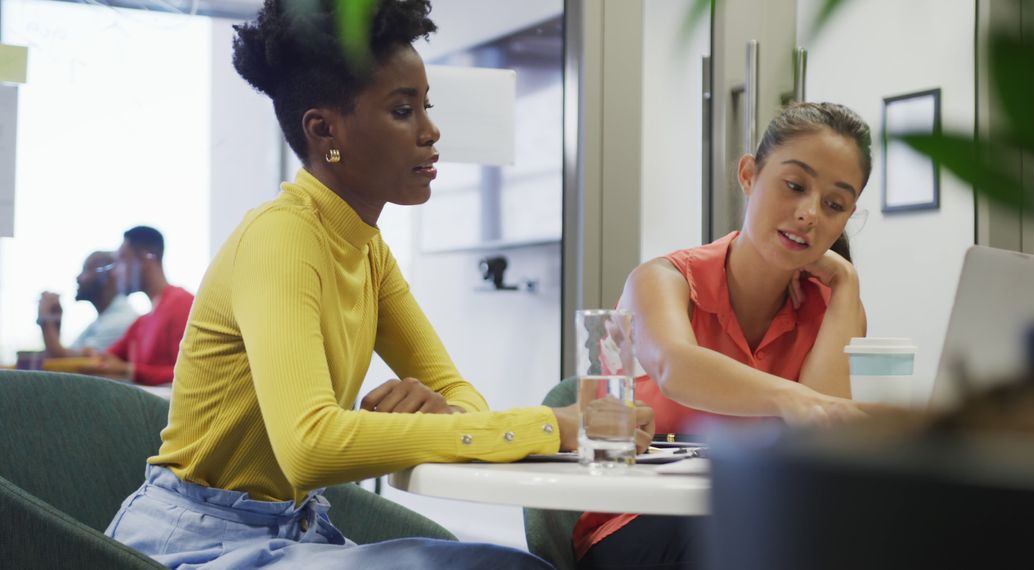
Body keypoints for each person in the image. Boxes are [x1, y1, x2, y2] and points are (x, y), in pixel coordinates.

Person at [104, 1, 653, 568]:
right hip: (193, 542)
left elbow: (463, 398)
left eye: (425, 106)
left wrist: (440, 408)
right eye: (402, 110)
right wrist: (549, 426)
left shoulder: (367, 251)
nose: (430, 130)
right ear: (324, 131)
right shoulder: (281, 238)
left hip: (296, 530)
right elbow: (310, 446)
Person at [573, 102, 875, 569]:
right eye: (794, 186)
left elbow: (822, 437)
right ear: (749, 175)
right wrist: (793, 401)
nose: (810, 214)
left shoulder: (834, 306)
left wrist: (846, 284)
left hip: (758, 515)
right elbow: (678, 367)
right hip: (640, 520)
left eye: (834, 205)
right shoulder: (663, 279)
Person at [81, 226, 194, 385]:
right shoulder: (142, 322)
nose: (115, 272)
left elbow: (190, 375)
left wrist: (129, 371)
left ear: (147, 257)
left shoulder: (182, 304)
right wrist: (95, 358)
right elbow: (106, 359)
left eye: (122, 260)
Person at [37, 250, 138, 357]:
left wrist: (46, 320)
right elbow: (66, 358)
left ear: (108, 276)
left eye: (86, 270)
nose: (78, 278)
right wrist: (54, 322)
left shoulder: (120, 319)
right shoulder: (103, 320)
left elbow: (73, 363)